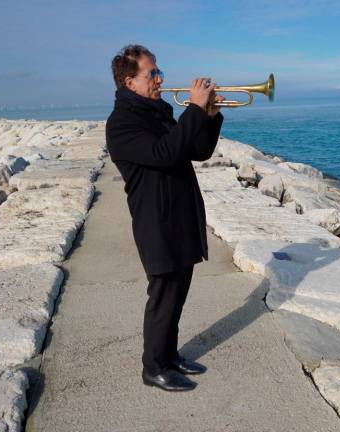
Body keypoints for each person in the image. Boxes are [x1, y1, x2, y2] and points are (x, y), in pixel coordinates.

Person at [106, 44, 224, 392]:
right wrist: (193, 107)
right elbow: (164, 153)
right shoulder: (122, 124)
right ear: (130, 82)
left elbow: (196, 152)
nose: (160, 79)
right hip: (155, 220)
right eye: (152, 73)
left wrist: (210, 115)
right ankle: (153, 367)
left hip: (180, 212)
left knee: (179, 291)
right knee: (163, 295)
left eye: (159, 72)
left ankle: (170, 356)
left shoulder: (157, 113)